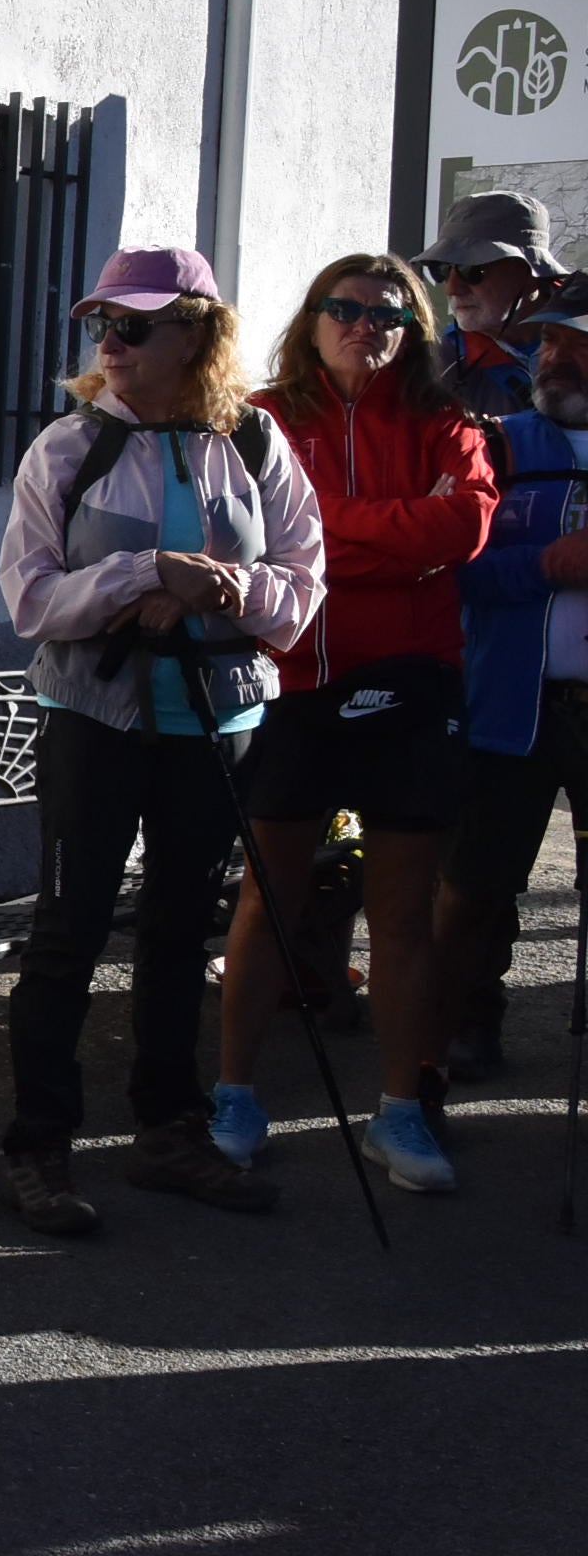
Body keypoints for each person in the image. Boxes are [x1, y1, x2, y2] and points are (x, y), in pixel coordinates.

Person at [0, 247, 323, 1233]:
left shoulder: (255, 443)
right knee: (69, 931)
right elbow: (27, 600)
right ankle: (36, 1143)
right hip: (94, 720)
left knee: (181, 932)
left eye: (134, 325)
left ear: (198, 334)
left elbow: (301, 593)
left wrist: (228, 587)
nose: (112, 343)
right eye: (103, 325)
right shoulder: (66, 447)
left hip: (215, 719)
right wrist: (145, 572)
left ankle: (166, 1131)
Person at [213, 254, 496, 1196]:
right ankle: (235, 1096)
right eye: (343, 308)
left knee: (404, 918)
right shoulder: (261, 418)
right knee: (269, 903)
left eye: (385, 315)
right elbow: (266, 540)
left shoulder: (445, 421)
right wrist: (389, 538)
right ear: (313, 317)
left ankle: (402, 1113)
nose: (361, 326)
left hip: (412, 692)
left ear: (412, 333)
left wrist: (334, 539)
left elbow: (464, 531)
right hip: (295, 684)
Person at [419, 190, 568, 1080]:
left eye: (477, 269)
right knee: (471, 862)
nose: (457, 286)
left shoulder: (558, 371)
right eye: (447, 271)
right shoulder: (430, 368)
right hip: (468, 648)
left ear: (532, 278)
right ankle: (464, 1018)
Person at [444, 277, 588, 1119]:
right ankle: (465, 1021)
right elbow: (453, 567)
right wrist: (545, 566)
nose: (556, 355)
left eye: (576, 342)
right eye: (551, 340)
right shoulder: (496, 444)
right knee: (475, 882)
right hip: (511, 700)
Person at [417, 189, 564, 420]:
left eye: (472, 270)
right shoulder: (435, 370)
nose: (452, 288)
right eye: (443, 269)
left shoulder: (580, 332)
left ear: (530, 269)